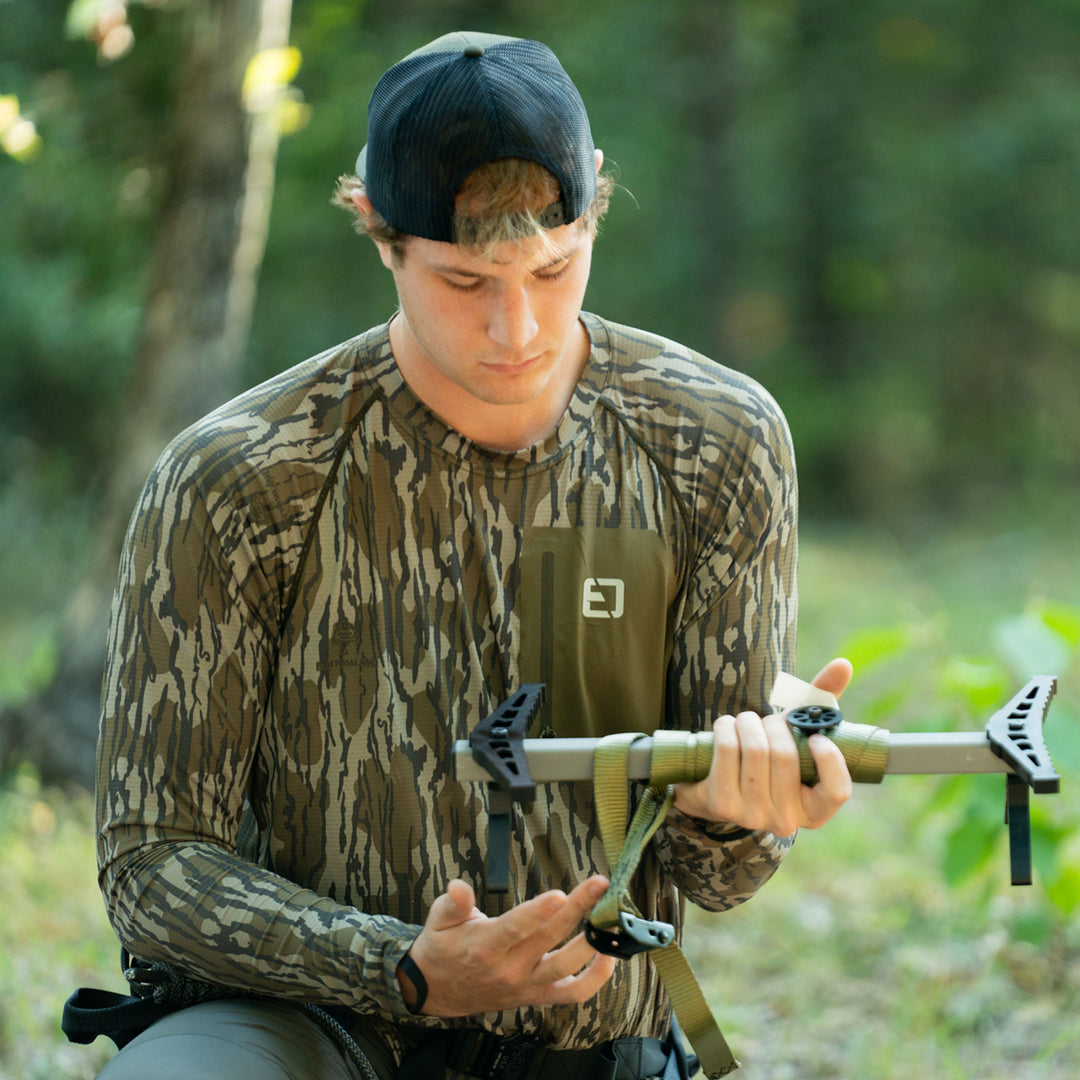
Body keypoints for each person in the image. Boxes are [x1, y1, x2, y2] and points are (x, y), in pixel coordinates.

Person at [91, 30, 853, 1080]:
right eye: (461, 281)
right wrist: (404, 966)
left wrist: (740, 814)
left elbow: (709, 879)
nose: (517, 326)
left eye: (555, 266)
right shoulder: (243, 475)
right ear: (376, 231)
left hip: (592, 1045)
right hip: (299, 1029)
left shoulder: (715, 443)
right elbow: (151, 862)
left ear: (597, 213)